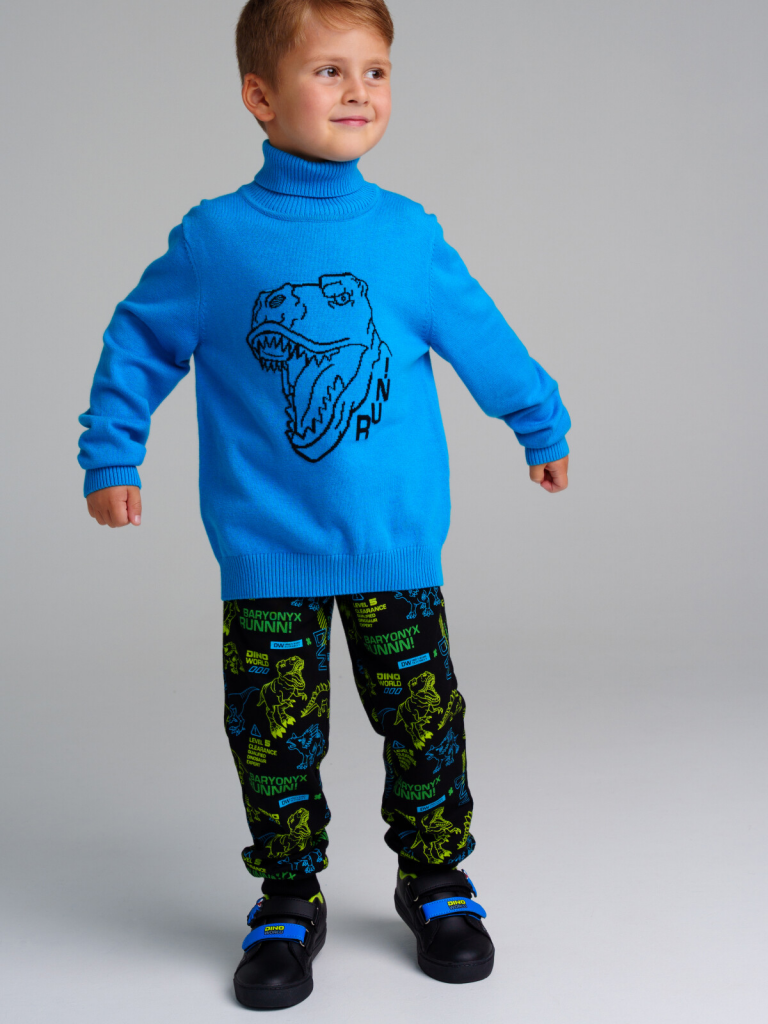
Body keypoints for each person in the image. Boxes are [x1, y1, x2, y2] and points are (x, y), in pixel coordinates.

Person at [78, 0, 571, 1009]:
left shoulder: (406, 235)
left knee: (423, 721)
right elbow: (137, 342)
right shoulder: (216, 240)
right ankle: (286, 898)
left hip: (394, 546)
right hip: (268, 549)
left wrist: (539, 421)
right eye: (329, 71)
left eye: (375, 71)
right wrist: (112, 452)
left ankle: (436, 878)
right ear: (260, 97)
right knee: (273, 737)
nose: (358, 91)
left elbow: (483, 336)